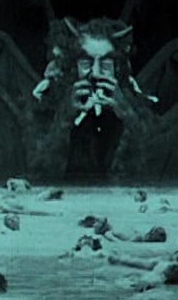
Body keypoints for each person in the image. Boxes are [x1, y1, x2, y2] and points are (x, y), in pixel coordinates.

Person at [26, 17, 157, 182]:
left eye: (106, 64)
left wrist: (127, 115)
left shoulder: (137, 106)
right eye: (86, 63)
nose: (96, 72)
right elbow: (39, 173)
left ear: (117, 68)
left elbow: (150, 171)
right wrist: (65, 118)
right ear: (73, 67)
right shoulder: (47, 105)